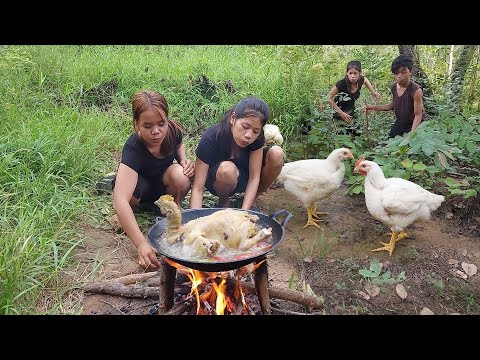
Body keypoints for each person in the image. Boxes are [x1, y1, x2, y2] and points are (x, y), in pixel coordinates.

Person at [112, 90, 194, 269]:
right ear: (137, 125)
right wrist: (141, 243)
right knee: (127, 197)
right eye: (148, 126)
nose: (156, 131)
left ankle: (171, 208)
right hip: (141, 186)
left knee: (181, 175)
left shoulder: (171, 130)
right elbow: (120, 200)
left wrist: (183, 159)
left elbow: (179, 143)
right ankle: (129, 218)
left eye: (161, 124)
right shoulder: (134, 148)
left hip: (163, 183)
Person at [189, 96, 284, 211]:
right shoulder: (212, 137)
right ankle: (223, 203)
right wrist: (195, 219)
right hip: (217, 180)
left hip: (244, 176)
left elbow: (254, 177)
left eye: (255, 131)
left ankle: (251, 201)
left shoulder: (257, 138)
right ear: (233, 118)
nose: (249, 135)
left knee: (276, 153)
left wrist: (244, 213)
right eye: (245, 127)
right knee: (227, 169)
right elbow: (198, 188)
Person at [365, 54, 426, 138]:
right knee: (390, 144)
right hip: (400, 123)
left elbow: (418, 115)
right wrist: (373, 107)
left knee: (409, 148)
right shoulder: (394, 87)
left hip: (414, 125)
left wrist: (412, 135)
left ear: (410, 71)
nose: (399, 76)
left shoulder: (416, 90)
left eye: (403, 72)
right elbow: (392, 105)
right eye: (396, 73)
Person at [327, 60, 381, 135]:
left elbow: (366, 80)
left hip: (351, 110)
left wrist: (373, 92)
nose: (352, 76)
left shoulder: (360, 80)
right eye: (350, 73)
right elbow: (328, 98)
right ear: (347, 73)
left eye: (355, 73)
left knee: (356, 133)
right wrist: (341, 113)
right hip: (338, 112)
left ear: (359, 73)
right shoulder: (341, 84)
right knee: (342, 135)